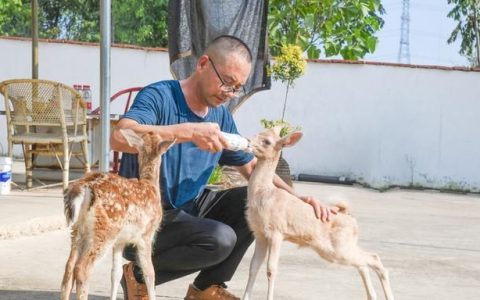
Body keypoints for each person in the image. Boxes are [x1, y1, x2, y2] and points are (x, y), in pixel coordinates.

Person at [110, 35, 335, 300]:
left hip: (189, 207)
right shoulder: (160, 96)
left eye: (237, 88)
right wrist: (187, 132)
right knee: (219, 239)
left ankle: (205, 289)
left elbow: (253, 167)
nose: (228, 93)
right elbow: (119, 136)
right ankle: (137, 276)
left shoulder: (220, 116)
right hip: (144, 214)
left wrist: (299, 199)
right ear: (203, 64)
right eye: (227, 82)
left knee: (253, 201)